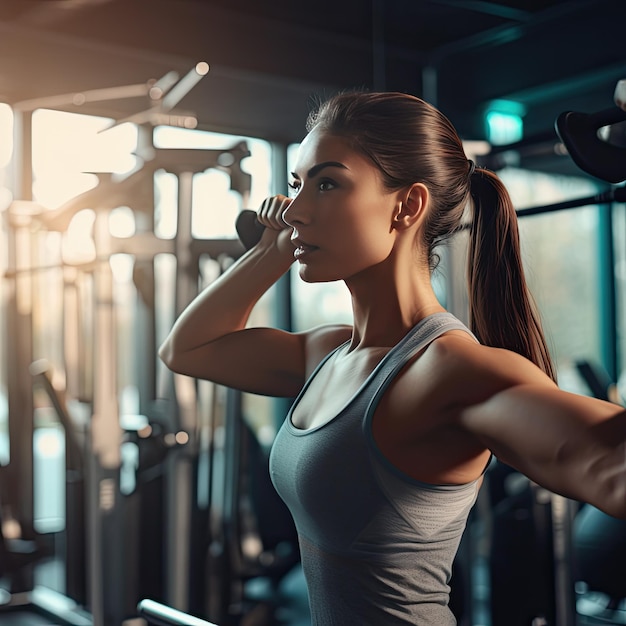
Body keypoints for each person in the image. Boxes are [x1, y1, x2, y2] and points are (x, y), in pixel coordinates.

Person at [159, 91, 626, 625]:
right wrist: (269, 253)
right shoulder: (326, 353)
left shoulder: (450, 371)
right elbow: (188, 350)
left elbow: (612, 469)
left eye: (327, 183)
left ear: (406, 206)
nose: (295, 209)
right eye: (295, 185)